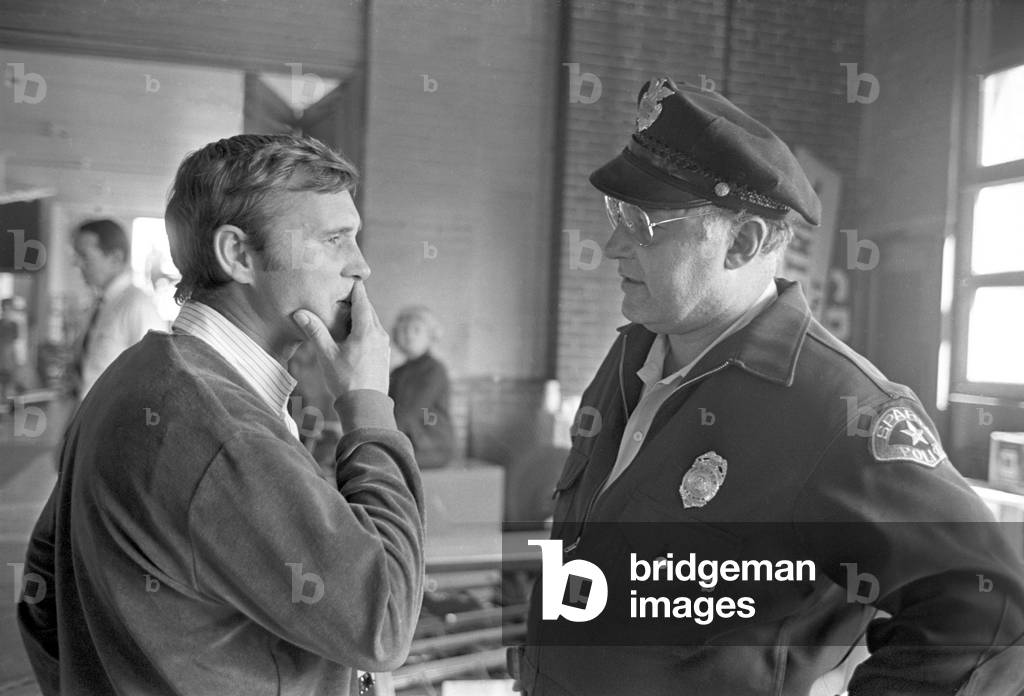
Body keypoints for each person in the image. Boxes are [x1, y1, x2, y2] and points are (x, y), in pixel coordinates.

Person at [512, 76, 1024, 695]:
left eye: (647, 223)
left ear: (744, 242)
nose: (614, 244)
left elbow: (988, 616)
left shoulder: (838, 412)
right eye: (618, 212)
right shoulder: (635, 354)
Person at [18, 134, 425, 696]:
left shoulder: (138, 375)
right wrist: (370, 411)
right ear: (238, 254)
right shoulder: (218, 428)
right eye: (334, 239)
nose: (362, 266)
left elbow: (42, 600)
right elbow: (383, 620)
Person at [69, 218, 166, 398]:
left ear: (115, 258)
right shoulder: (99, 305)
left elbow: (156, 377)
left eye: (84, 256)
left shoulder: (137, 306)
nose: (77, 264)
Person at [389, 305, 456, 468]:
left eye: (416, 330)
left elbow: (412, 411)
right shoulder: (398, 372)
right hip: (409, 439)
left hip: (432, 444)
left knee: (382, 462)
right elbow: (389, 408)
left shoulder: (434, 370)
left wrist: (382, 438)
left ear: (430, 336)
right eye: (403, 330)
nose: (409, 335)